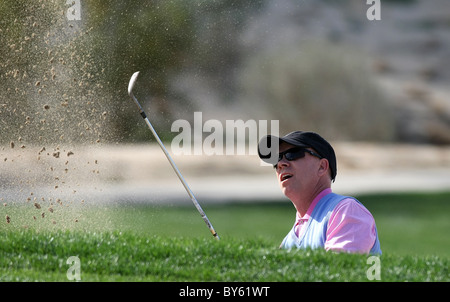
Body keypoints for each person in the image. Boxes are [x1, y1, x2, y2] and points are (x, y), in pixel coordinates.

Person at [258, 131, 381, 254]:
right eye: (277, 159)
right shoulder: (288, 241)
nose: (280, 164)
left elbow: (343, 270)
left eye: (292, 154)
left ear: (322, 166)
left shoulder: (346, 211)